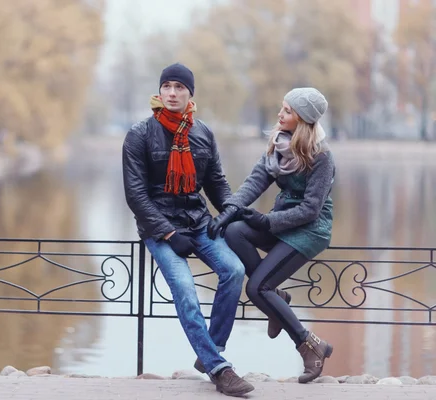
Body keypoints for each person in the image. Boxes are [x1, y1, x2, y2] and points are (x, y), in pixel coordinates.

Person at [122, 63, 254, 397]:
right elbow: (136, 195)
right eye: (167, 86)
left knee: (234, 270)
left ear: (190, 94)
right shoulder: (139, 134)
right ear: (159, 91)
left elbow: (217, 184)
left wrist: (227, 214)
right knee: (184, 288)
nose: (172, 93)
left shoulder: (203, 134)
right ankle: (219, 369)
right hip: (160, 228)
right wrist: (167, 233)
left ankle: (209, 351)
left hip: (199, 223)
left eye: (179, 87)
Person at [207, 87, 336, 384]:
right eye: (282, 108)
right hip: (282, 223)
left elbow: (310, 210)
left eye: (287, 111)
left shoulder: (322, 156)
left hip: (309, 230)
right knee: (235, 230)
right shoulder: (278, 146)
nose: (280, 114)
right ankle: (275, 297)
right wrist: (227, 213)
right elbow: (254, 183)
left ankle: (311, 346)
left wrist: (266, 221)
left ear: (303, 119)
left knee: (256, 288)